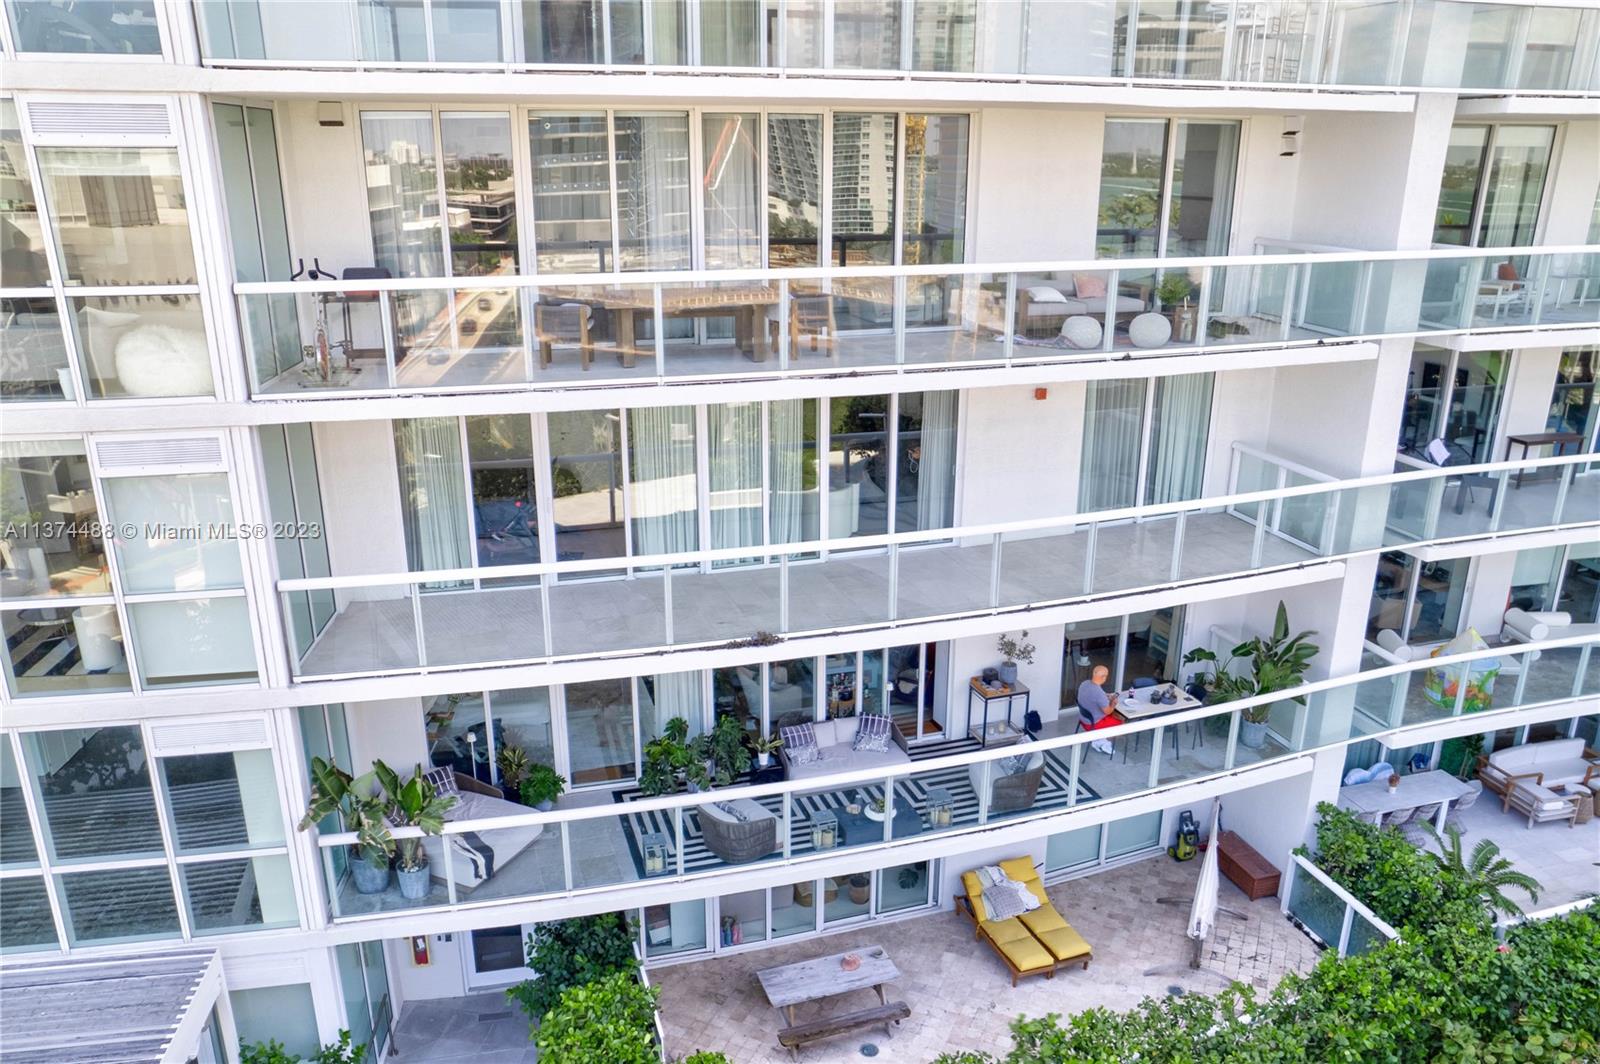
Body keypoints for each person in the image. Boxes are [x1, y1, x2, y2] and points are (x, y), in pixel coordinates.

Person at [1076, 665, 1120, 755]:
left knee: (1114, 716)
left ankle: (1099, 739)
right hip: (1092, 724)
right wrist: (1113, 703)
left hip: (1083, 719)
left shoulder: (1085, 683)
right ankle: (1102, 742)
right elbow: (1108, 711)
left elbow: (1097, 696)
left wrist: (1106, 696)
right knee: (1120, 723)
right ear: (1104, 677)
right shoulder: (1098, 693)